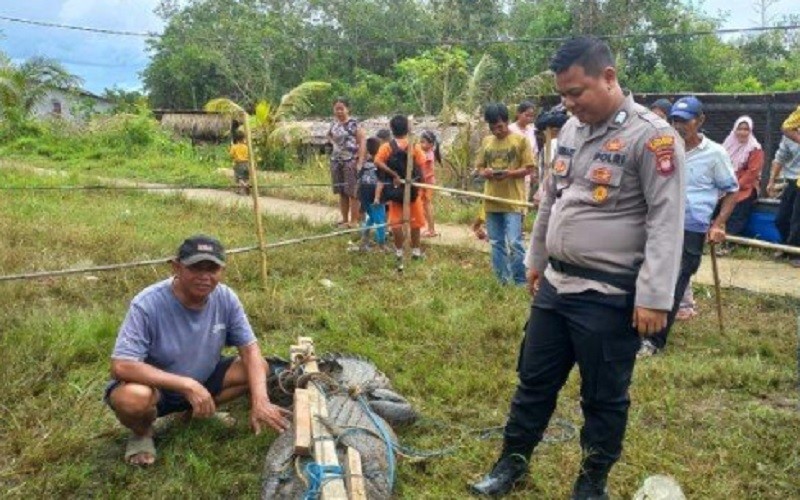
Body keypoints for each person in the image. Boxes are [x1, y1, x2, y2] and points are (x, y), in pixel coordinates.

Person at [470, 37, 685, 498]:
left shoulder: (653, 137)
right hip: (556, 286)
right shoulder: (570, 129)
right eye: (562, 94)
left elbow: (666, 221)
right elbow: (552, 197)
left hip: (609, 296)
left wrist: (653, 296)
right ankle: (512, 465)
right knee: (534, 382)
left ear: (608, 77)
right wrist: (536, 259)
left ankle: (591, 484)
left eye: (576, 92)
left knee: (603, 398)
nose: (568, 103)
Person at [104, 235, 291, 466]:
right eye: (195, 267)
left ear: (222, 270)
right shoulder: (147, 303)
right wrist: (186, 384)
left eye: (212, 268)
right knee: (132, 398)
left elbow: (250, 351)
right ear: (176, 267)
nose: (204, 276)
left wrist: (261, 401)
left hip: (204, 377)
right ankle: (142, 433)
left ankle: (193, 414)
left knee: (258, 368)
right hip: (159, 388)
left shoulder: (226, 298)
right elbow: (121, 365)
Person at [639, 97, 739, 357]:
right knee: (646, 274)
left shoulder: (715, 153)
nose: (679, 125)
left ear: (700, 120)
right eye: (675, 120)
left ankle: (653, 341)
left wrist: (719, 223)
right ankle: (636, 329)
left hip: (692, 228)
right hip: (659, 223)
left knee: (674, 281)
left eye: (685, 120)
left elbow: (731, 191)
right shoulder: (664, 148)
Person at [475, 103, 535, 285]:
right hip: (492, 200)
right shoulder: (486, 142)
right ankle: (502, 280)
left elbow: (529, 168)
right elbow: (479, 167)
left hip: (513, 201)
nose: (496, 131)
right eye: (492, 128)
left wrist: (510, 174)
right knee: (496, 242)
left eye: (499, 126)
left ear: (507, 121)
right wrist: (484, 172)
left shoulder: (521, 140)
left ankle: (520, 281)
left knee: (515, 242)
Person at [373, 115, 428, 261]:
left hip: (394, 189)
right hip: (412, 190)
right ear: (407, 128)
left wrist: (392, 174)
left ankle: (399, 252)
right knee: (415, 222)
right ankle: (416, 251)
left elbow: (377, 161)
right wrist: (423, 186)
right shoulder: (414, 146)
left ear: (392, 129)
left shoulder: (386, 147)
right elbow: (422, 168)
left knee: (396, 223)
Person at [719, 116, 764, 238]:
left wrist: (734, 186)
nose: (742, 132)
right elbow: (719, 164)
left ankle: (731, 241)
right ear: (735, 130)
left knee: (738, 206)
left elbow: (752, 172)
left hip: (744, 188)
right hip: (724, 185)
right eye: (740, 129)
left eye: (746, 130)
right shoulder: (726, 145)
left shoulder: (755, 148)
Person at [328, 98, 366, 228]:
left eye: (341, 108)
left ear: (347, 109)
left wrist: (360, 162)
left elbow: (362, 143)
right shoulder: (333, 124)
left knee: (352, 192)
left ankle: (354, 220)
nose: (339, 111)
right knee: (341, 191)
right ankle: (345, 219)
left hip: (350, 161)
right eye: (336, 108)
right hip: (336, 161)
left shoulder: (354, 124)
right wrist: (335, 146)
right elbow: (329, 136)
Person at [767, 134, 800, 266]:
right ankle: (787, 246)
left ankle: (796, 252)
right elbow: (780, 157)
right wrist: (771, 180)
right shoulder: (789, 133)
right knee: (781, 218)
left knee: (797, 219)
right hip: (791, 180)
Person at [353, 137, 387, 252]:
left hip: (364, 194)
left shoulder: (365, 164)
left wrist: (357, 194)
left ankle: (364, 240)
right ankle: (381, 245)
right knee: (380, 220)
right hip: (375, 195)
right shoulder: (380, 164)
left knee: (371, 217)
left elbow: (359, 179)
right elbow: (381, 181)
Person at [509, 100, 540, 204]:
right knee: (511, 199)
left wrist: (533, 171)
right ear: (518, 113)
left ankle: (521, 218)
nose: (529, 119)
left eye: (531, 116)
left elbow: (534, 151)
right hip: (511, 170)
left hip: (526, 170)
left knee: (523, 199)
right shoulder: (510, 130)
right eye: (526, 115)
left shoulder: (531, 130)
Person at [419, 130, 440, 238]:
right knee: (424, 205)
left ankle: (431, 230)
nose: (421, 144)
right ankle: (429, 228)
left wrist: (422, 179)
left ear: (431, 144)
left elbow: (431, 171)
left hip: (427, 183)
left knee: (427, 205)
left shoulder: (429, 155)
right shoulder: (425, 153)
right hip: (424, 183)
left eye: (423, 142)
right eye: (420, 142)